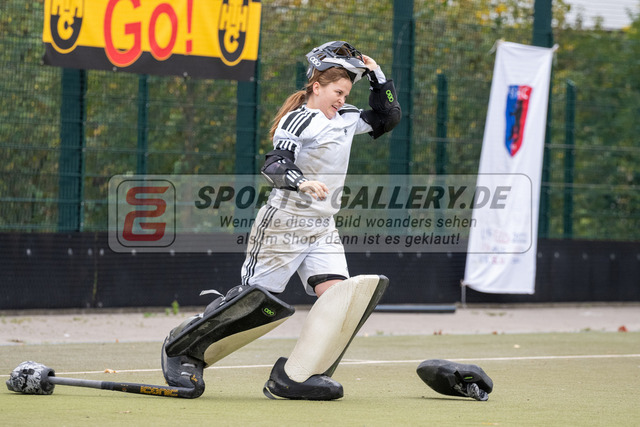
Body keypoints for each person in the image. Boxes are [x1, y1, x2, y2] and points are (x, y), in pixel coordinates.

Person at [160, 41, 401, 401]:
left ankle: (296, 377)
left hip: (323, 227)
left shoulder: (346, 119)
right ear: (316, 86)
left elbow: (388, 116)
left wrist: (377, 75)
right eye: (337, 92)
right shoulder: (298, 120)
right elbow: (275, 164)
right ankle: (183, 349)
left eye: (346, 93)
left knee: (339, 301)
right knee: (255, 305)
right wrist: (301, 182)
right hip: (284, 223)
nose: (341, 99)